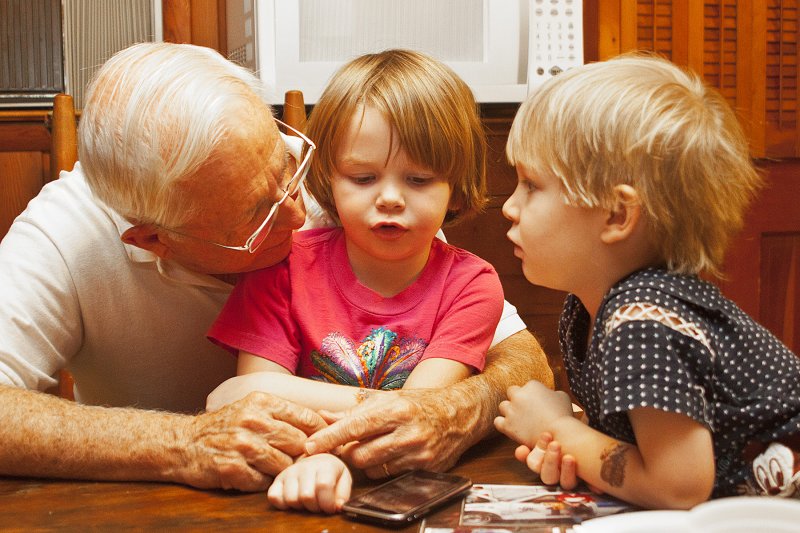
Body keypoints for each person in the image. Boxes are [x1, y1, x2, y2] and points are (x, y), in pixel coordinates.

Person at [0, 42, 553, 489]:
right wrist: (182, 445)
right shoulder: (62, 238)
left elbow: (524, 362)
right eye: (256, 216)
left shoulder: (335, 187)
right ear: (154, 239)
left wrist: (453, 407)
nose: (298, 213)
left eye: (285, 163)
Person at [493, 53, 800, 509]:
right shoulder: (590, 307)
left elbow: (679, 486)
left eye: (531, 185)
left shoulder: (643, 320)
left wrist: (556, 428)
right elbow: (637, 455)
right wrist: (577, 447)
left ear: (618, 214)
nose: (509, 207)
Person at [206, 49, 505, 513]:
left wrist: (318, 442)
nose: (389, 197)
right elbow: (257, 402)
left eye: (419, 179)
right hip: (293, 480)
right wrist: (309, 453)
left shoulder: (472, 285)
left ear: (457, 187)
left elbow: (415, 418)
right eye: (363, 178)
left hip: (409, 496)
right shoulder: (281, 269)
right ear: (327, 179)